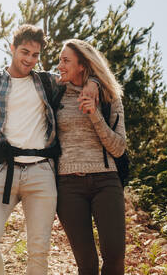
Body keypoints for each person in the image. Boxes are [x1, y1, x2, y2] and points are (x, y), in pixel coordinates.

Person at [0, 25, 98, 275]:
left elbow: (80, 74)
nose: (29, 59)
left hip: (41, 174)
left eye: (35, 55)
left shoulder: (47, 82)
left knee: (38, 250)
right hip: (2, 172)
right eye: (24, 52)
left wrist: (94, 84)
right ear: (12, 48)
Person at [55, 39, 126, 275]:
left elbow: (118, 148)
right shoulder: (55, 94)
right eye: (59, 60)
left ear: (82, 65)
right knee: (87, 265)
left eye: (66, 60)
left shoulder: (109, 98)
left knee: (115, 257)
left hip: (106, 181)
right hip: (68, 185)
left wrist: (95, 115)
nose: (60, 65)